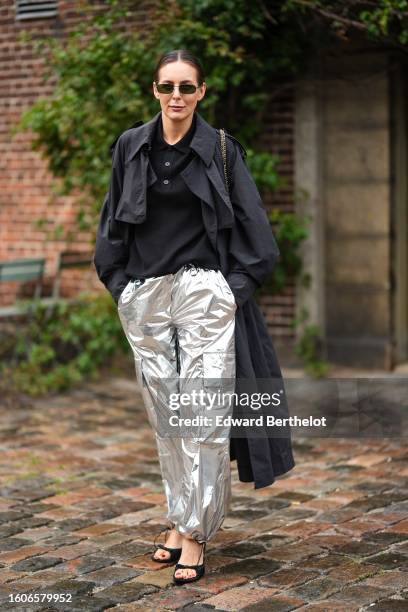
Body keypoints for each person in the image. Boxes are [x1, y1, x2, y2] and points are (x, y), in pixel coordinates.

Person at [93, 49, 295, 585]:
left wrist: (233, 292)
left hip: (204, 293)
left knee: (202, 419)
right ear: (154, 91)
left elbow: (258, 235)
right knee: (166, 419)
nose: (176, 97)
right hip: (146, 294)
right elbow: (112, 221)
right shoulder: (131, 147)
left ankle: (197, 534)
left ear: (201, 92)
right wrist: (118, 286)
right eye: (167, 87)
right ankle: (178, 518)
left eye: (186, 87)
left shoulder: (220, 150)